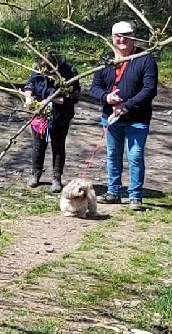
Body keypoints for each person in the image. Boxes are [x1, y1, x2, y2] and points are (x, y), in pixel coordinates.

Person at [87, 21, 159, 211]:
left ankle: (135, 197)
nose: (122, 39)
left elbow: (149, 90)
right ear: (112, 38)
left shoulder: (145, 59)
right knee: (113, 155)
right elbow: (94, 88)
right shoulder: (106, 59)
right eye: (118, 36)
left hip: (137, 118)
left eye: (126, 35)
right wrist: (106, 97)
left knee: (135, 156)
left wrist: (126, 106)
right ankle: (113, 192)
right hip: (110, 117)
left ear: (134, 36)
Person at [22, 52, 79, 193]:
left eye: (49, 69)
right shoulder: (38, 69)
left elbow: (73, 97)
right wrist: (28, 98)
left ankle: (56, 178)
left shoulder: (69, 71)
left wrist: (51, 99)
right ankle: (35, 174)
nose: (46, 72)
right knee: (38, 146)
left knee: (58, 147)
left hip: (60, 116)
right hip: (40, 115)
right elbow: (29, 85)